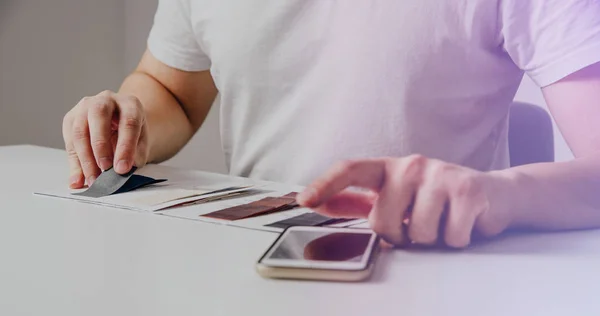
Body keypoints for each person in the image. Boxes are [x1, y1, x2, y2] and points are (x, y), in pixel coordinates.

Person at [62, 0, 600, 247]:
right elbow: (170, 92)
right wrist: (129, 119)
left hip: (439, 278)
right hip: (256, 269)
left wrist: (495, 195)